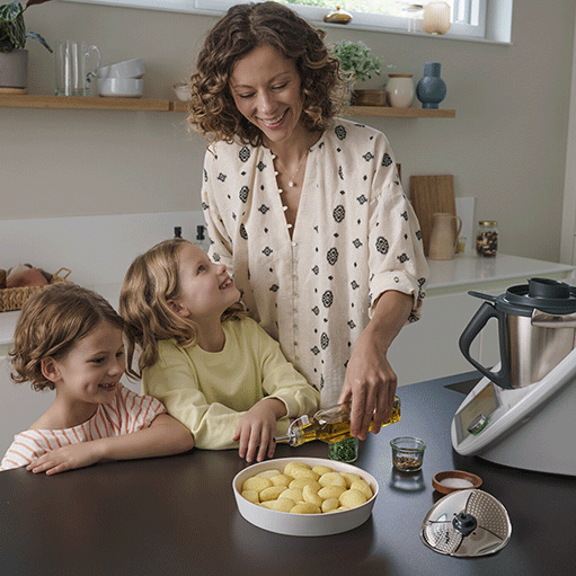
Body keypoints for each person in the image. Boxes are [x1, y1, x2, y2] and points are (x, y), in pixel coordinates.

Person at [187, 1, 428, 440]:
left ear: (306, 75)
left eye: (279, 85)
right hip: (252, 419)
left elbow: (398, 272)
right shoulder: (222, 161)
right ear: (227, 94)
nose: (266, 107)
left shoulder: (366, 152)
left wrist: (372, 345)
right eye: (245, 94)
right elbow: (221, 285)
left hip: (346, 410)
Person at [119, 238, 320, 463]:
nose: (220, 267)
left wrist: (269, 408)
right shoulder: (164, 358)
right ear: (177, 306)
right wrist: (278, 424)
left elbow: (305, 393)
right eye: (202, 269)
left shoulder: (247, 331)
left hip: (262, 460)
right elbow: (199, 427)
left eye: (211, 261)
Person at [0, 284, 194, 475]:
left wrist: (94, 450)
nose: (117, 369)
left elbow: (179, 436)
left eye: (118, 353)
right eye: (98, 360)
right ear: (52, 369)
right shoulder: (28, 452)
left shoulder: (119, 404)